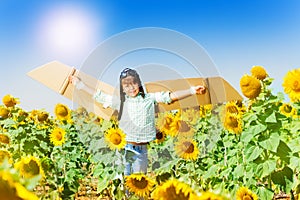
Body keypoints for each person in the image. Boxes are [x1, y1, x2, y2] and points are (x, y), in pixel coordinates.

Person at [69, 67, 205, 189]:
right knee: (125, 182)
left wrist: (191, 90)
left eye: (134, 83)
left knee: (139, 183)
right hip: (123, 148)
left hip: (141, 149)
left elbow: (170, 97)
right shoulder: (120, 102)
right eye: (126, 85)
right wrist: (79, 84)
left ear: (139, 83)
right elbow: (99, 95)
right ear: (122, 89)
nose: (131, 88)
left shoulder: (149, 99)